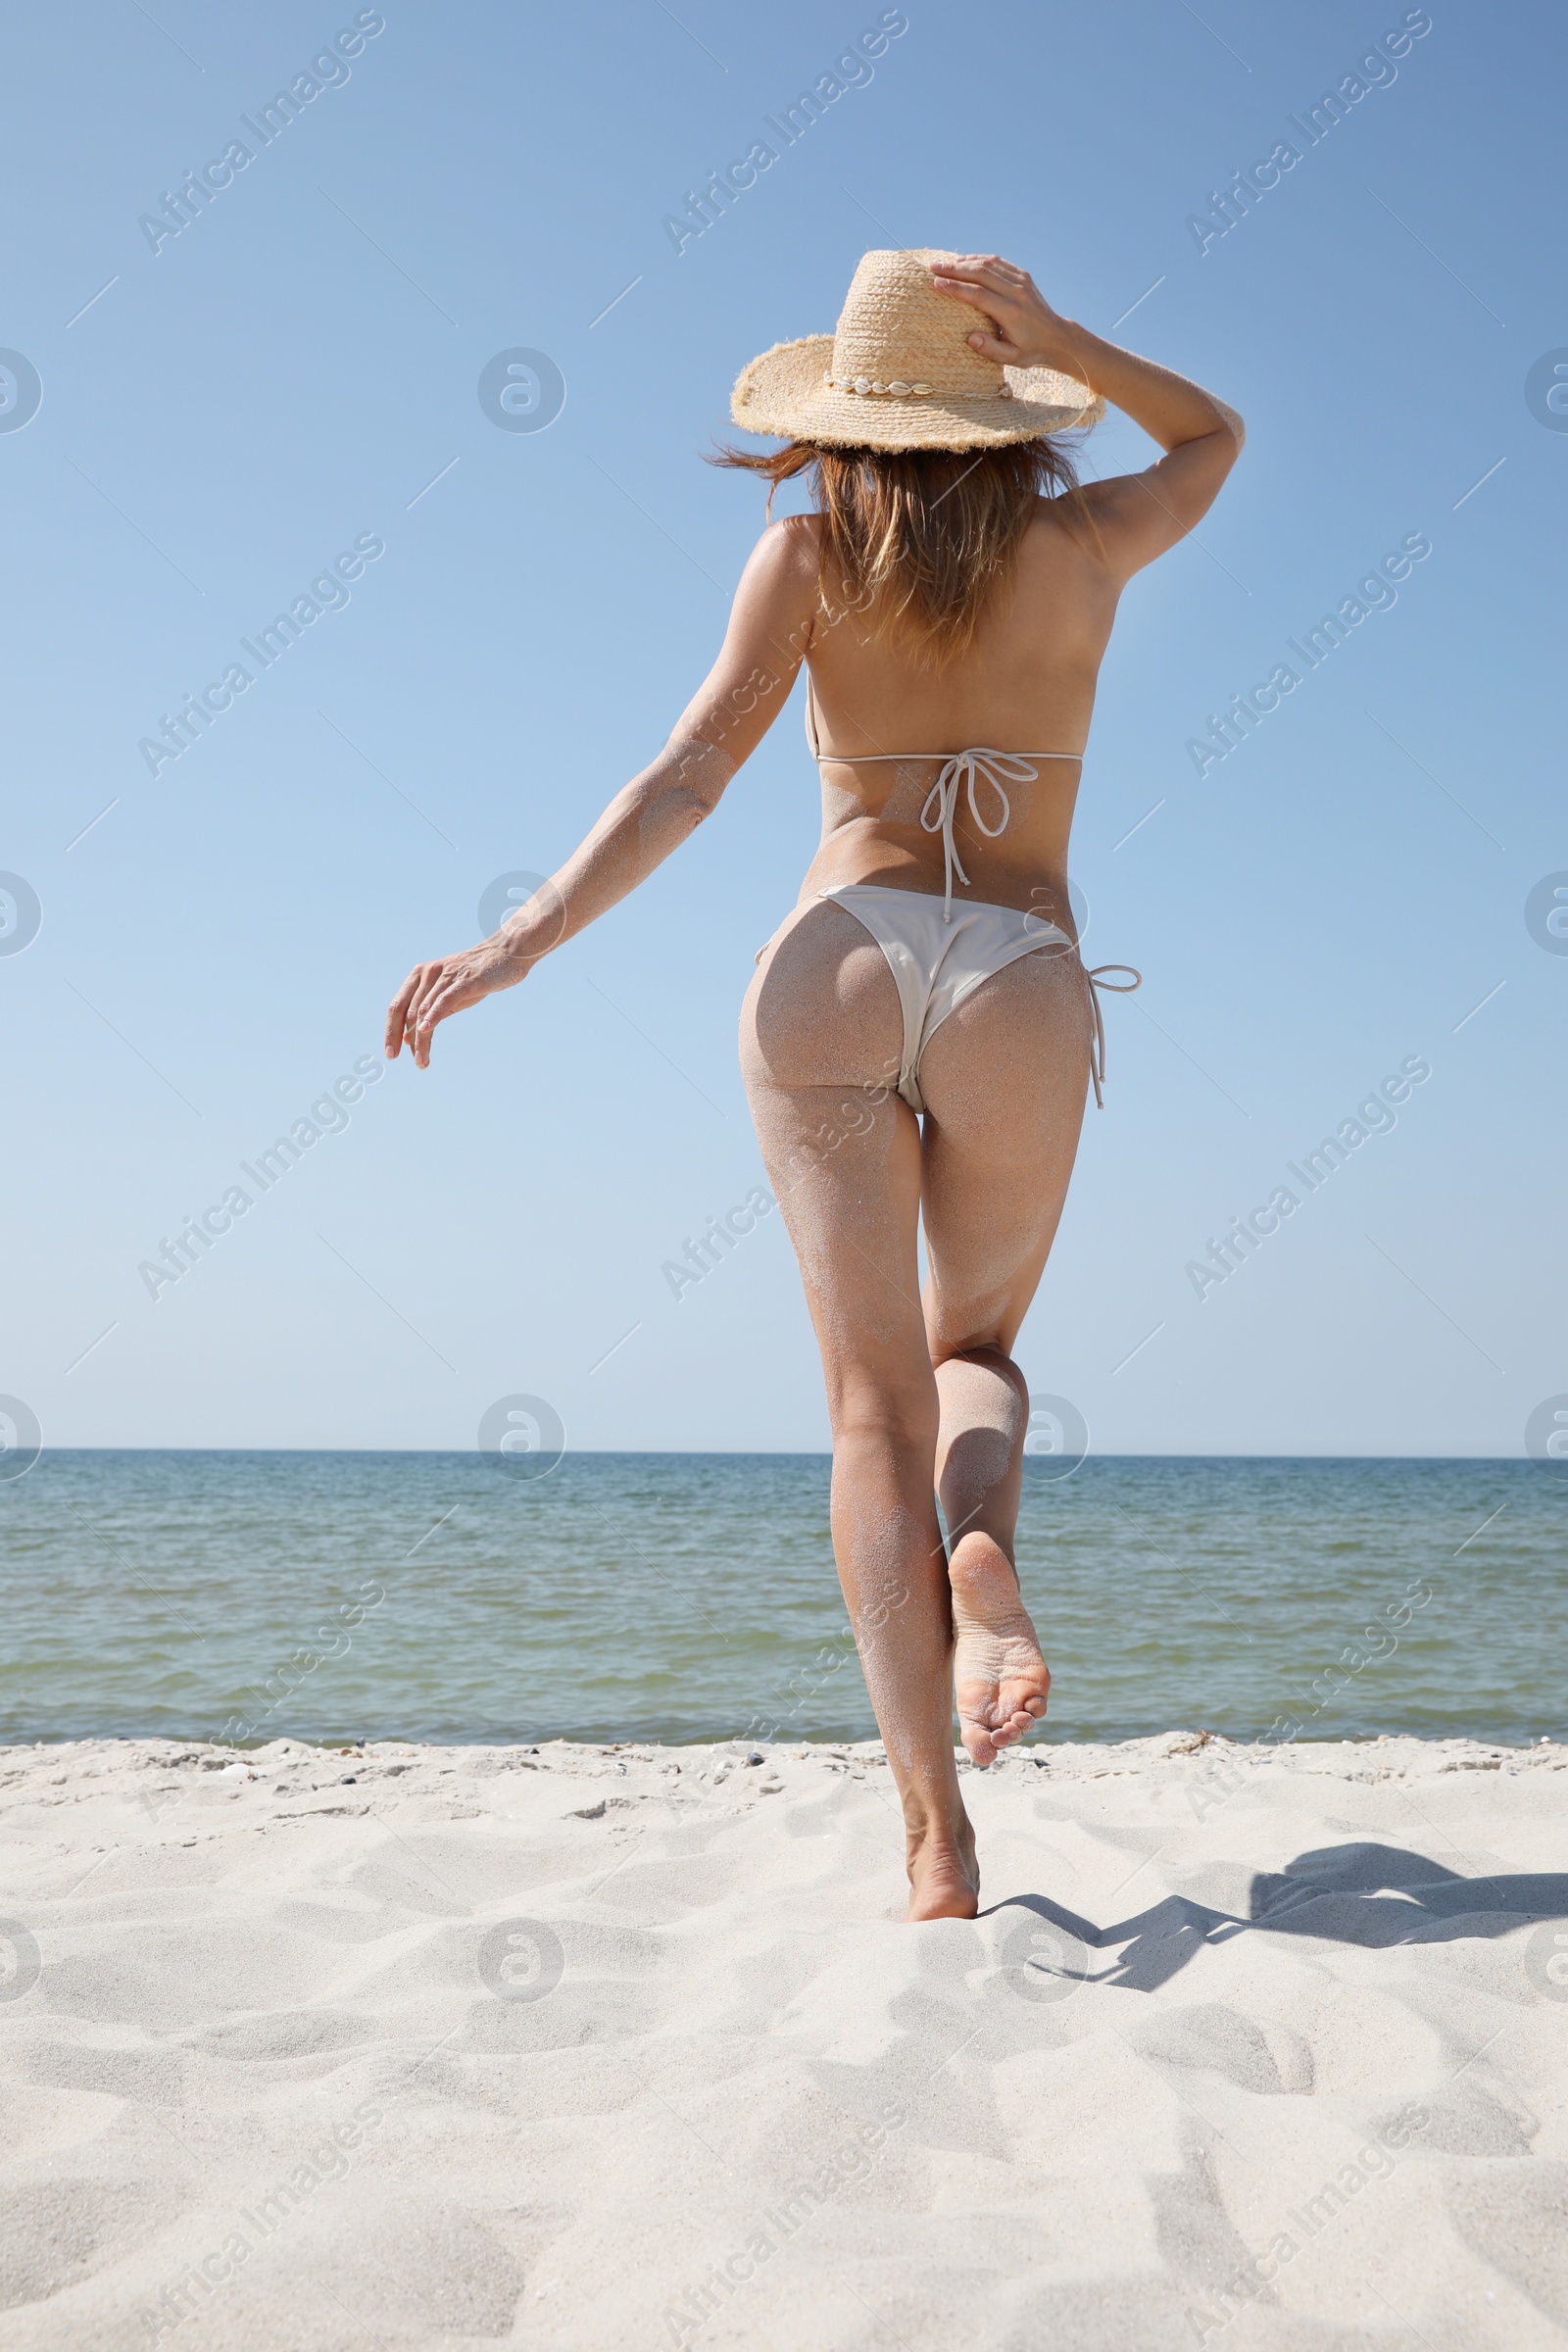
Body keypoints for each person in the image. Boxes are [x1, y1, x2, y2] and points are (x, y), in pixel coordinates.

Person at [385, 250, 1243, 1921]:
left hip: (829, 962)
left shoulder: (805, 551)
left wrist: (526, 941)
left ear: (848, 422)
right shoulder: (1082, 545)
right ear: (998, 410)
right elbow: (1211, 438)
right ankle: (980, 1551)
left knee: (867, 1411)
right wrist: (1066, 340)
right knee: (974, 1349)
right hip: (1014, 970)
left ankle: (934, 1834)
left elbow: (691, 771)